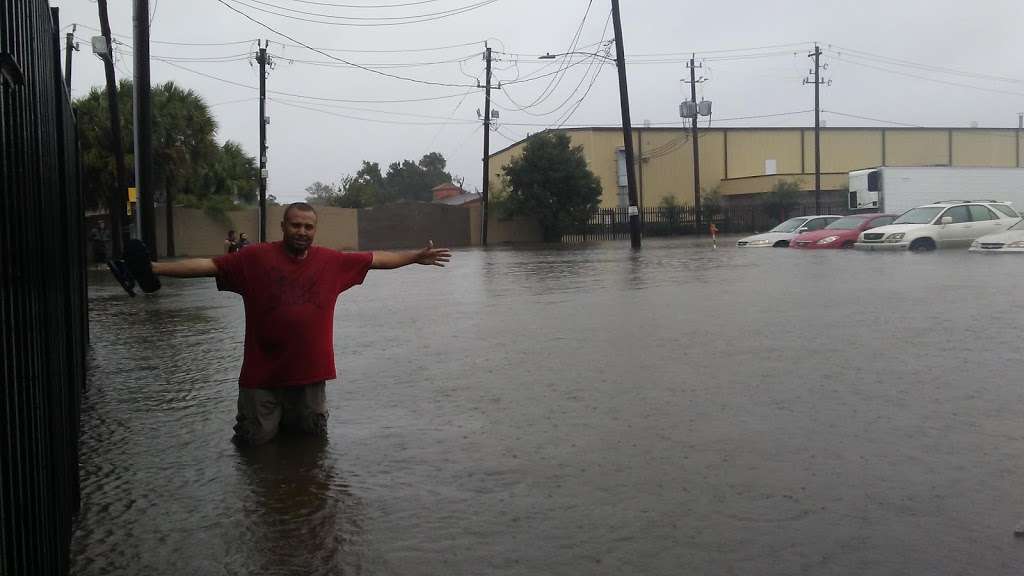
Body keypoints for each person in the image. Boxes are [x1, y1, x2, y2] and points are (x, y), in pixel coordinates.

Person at [144, 202, 451, 444]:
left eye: (308, 226)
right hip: (261, 380)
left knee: (310, 450)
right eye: (296, 225)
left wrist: (414, 257)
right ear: (283, 227)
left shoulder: (332, 262)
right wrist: (154, 268)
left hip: (310, 379)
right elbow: (207, 266)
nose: (302, 231)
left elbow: (377, 260)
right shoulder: (254, 258)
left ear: (315, 230)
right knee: (255, 449)